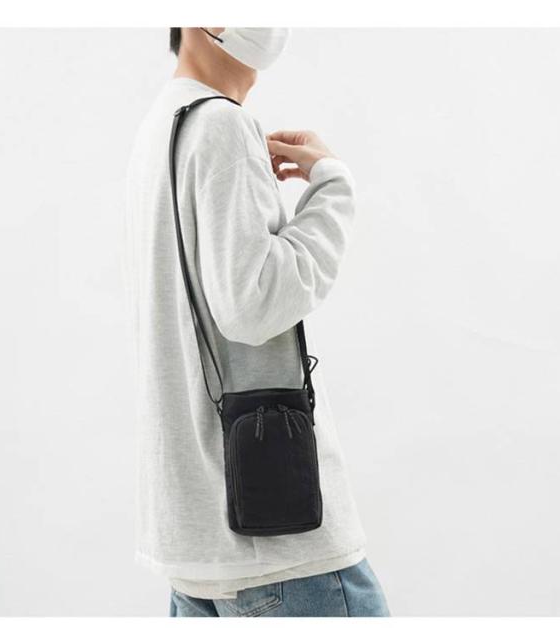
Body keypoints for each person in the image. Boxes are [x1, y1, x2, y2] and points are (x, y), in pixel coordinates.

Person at [123, 27, 390, 617]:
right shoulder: (220, 123)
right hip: (279, 549)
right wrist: (333, 185)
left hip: (197, 544)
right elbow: (256, 303)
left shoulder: (160, 126)